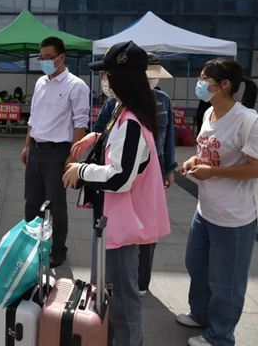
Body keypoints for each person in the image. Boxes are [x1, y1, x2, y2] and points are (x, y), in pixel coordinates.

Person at [65, 41, 171, 346]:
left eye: (107, 74)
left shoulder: (131, 121)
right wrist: (97, 137)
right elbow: (121, 145)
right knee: (109, 292)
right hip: (113, 219)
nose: (104, 80)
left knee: (122, 299)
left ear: (122, 78)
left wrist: (81, 171)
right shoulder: (123, 110)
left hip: (122, 224)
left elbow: (120, 177)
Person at [177, 59, 258, 346]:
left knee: (227, 282)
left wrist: (213, 172)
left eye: (204, 79)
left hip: (234, 217)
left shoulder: (247, 120)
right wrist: (193, 160)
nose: (199, 83)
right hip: (206, 209)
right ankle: (200, 314)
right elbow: (206, 152)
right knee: (196, 266)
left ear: (224, 85)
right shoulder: (209, 112)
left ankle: (220, 336)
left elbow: (255, 168)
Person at [21, 36, 90, 267]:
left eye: (49, 57)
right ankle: (32, 246)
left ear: (62, 57)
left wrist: (72, 157)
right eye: (41, 57)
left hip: (58, 152)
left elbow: (81, 124)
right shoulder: (40, 83)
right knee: (32, 201)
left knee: (56, 204)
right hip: (36, 148)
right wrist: (27, 145)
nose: (44, 61)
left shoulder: (76, 86)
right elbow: (33, 118)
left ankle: (58, 250)